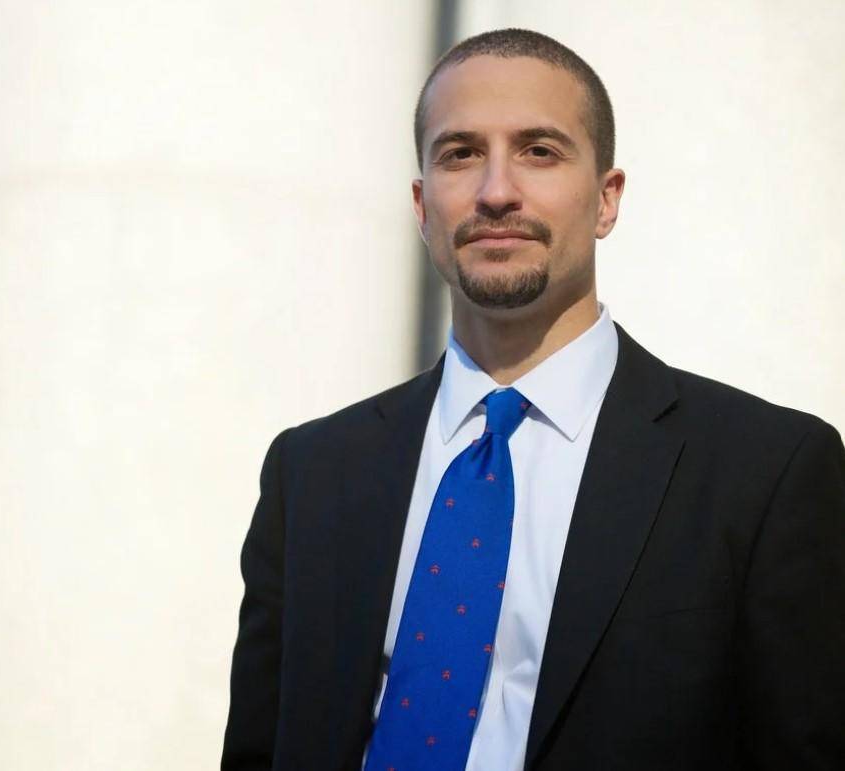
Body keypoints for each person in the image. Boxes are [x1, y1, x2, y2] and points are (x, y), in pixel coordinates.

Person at [220, 27, 845, 771]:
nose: (495, 191)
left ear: (607, 199)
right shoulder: (311, 472)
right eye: (460, 154)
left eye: (539, 151)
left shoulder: (766, 473)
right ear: (422, 206)